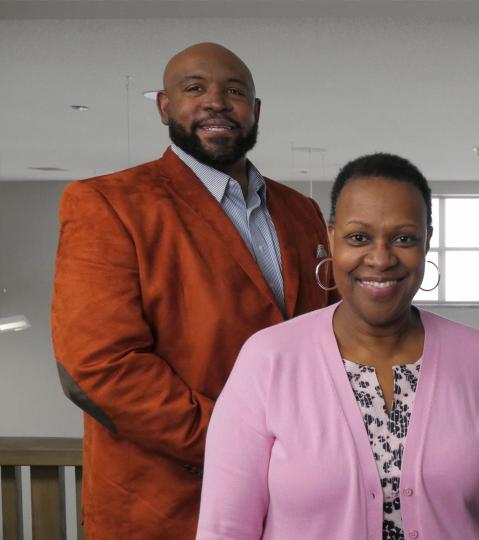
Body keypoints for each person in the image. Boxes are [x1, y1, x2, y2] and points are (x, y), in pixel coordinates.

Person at [51, 42, 338, 539]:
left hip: (297, 503)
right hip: (167, 507)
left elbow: (330, 340)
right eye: (194, 88)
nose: (216, 102)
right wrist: (244, 446)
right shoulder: (106, 203)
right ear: (165, 107)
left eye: (234, 91)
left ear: (256, 111)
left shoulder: (302, 212)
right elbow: (97, 368)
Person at [197, 153, 479, 540]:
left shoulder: (475, 357)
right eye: (359, 237)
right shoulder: (269, 359)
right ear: (331, 239)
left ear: (428, 242)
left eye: (404, 238)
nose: (380, 258)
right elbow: (224, 529)